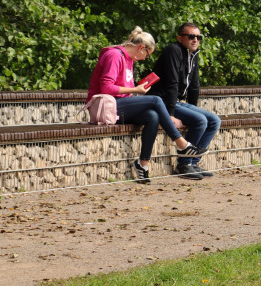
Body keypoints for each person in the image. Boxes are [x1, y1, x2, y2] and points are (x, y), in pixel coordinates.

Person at [87, 27, 206, 184]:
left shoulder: (128, 59)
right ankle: (181, 143)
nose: (144, 59)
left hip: (117, 106)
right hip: (105, 107)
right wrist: (136, 90)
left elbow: (123, 91)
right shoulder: (114, 55)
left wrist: (137, 89)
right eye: (147, 55)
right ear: (141, 48)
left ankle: (143, 164)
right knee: (155, 100)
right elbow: (106, 88)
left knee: (152, 116)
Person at [149, 22, 221, 180]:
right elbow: (172, 83)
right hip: (161, 100)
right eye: (191, 36)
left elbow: (194, 86)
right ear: (180, 38)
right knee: (200, 121)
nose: (195, 40)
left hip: (177, 101)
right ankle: (184, 164)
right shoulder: (173, 51)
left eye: (198, 37)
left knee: (214, 120)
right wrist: (170, 115)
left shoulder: (193, 54)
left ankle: (193, 162)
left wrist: (191, 109)